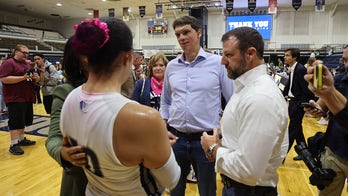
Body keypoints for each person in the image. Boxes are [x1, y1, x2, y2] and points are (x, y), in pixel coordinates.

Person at [60, 17, 180, 195]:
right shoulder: (145, 119)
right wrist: (159, 144)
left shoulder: (70, 99)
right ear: (127, 57)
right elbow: (171, 179)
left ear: (86, 57)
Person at [200, 26, 289, 196]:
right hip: (239, 188)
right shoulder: (246, 87)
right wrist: (223, 139)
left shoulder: (261, 97)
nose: (222, 61)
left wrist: (213, 149)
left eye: (229, 55)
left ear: (250, 54)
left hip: (249, 190)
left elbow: (248, 170)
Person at [160, 15, 234, 196]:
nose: (181, 38)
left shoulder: (217, 64)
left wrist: (223, 134)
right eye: (178, 34)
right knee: (175, 190)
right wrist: (163, 124)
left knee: (207, 191)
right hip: (176, 139)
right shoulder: (171, 67)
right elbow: (166, 101)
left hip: (206, 140)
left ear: (199, 32)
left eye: (186, 32)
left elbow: (232, 101)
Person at [45, 37, 88, 196]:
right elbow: (54, 138)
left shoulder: (115, 86)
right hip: (81, 179)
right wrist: (63, 153)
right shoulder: (66, 91)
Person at [303, 47, 348, 196]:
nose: (346, 65)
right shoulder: (340, 80)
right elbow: (322, 105)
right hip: (334, 151)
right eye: (345, 60)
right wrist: (316, 108)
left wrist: (330, 94)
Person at [0, 44, 42, 155]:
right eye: (24, 52)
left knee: (23, 121)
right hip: (15, 97)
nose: (26, 55)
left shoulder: (26, 64)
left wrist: (36, 78)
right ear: (16, 52)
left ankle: (21, 139)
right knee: (15, 122)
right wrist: (23, 78)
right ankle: (14, 144)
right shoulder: (8, 63)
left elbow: (30, 79)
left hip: (27, 96)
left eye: (27, 53)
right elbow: (4, 79)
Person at [282, 48, 316, 161]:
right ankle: (305, 152)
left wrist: (301, 104)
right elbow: (290, 85)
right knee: (297, 129)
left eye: (287, 55)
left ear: (294, 57)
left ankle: (281, 155)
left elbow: (306, 89)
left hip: (297, 103)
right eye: (285, 55)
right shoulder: (293, 68)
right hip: (292, 102)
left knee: (292, 130)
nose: (285, 57)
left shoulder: (300, 69)